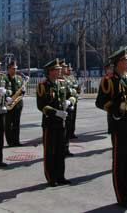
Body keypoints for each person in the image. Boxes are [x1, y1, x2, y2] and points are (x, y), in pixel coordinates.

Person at [95, 48, 127, 208]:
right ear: (118, 63)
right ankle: (121, 196)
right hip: (119, 124)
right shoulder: (109, 80)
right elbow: (100, 102)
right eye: (126, 60)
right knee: (120, 161)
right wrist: (118, 106)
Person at [37, 58, 75, 186]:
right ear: (50, 71)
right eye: (57, 69)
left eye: (59, 69)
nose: (60, 71)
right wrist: (56, 112)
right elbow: (41, 105)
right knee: (50, 151)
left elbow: (73, 94)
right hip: (50, 123)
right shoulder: (43, 85)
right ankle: (51, 177)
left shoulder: (62, 83)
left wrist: (70, 101)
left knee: (60, 151)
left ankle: (60, 176)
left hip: (62, 122)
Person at [4, 60, 26, 147]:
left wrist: (23, 91)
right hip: (9, 104)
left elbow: (22, 91)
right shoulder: (5, 78)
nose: (15, 70)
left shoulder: (19, 78)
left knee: (17, 123)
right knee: (8, 124)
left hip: (18, 104)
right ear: (9, 69)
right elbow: (3, 90)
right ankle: (10, 142)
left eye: (16, 68)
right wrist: (7, 97)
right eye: (13, 69)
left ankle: (16, 140)